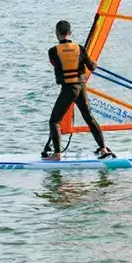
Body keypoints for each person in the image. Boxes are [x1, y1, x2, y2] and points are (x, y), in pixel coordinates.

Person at [42, 20, 114, 160]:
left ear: (57, 34)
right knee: (89, 118)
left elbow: (55, 65)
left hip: (68, 89)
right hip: (81, 87)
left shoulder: (52, 51)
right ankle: (104, 149)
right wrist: (94, 64)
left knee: (54, 121)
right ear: (70, 33)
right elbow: (91, 67)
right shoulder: (80, 48)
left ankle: (57, 154)